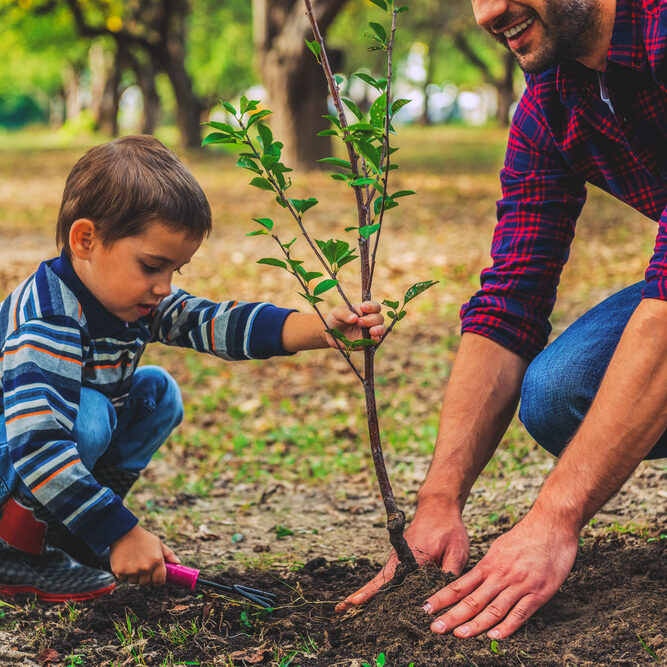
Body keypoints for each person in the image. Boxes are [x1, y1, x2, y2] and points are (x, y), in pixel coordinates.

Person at [339, 0, 666, 640]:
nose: (487, 12)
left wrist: (552, 521)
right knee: (561, 390)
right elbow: (511, 298)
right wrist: (439, 501)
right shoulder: (552, 100)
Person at [0, 135, 385, 602]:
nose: (163, 288)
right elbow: (37, 445)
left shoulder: (129, 299)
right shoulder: (47, 318)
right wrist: (120, 533)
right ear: (87, 239)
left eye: (174, 271)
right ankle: (17, 553)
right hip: (20, 458)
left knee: (156, 393)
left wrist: (320, 329)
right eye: (151, 266)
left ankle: (71, 532)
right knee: (92, 414)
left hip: (44, 462)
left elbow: (212, 321)